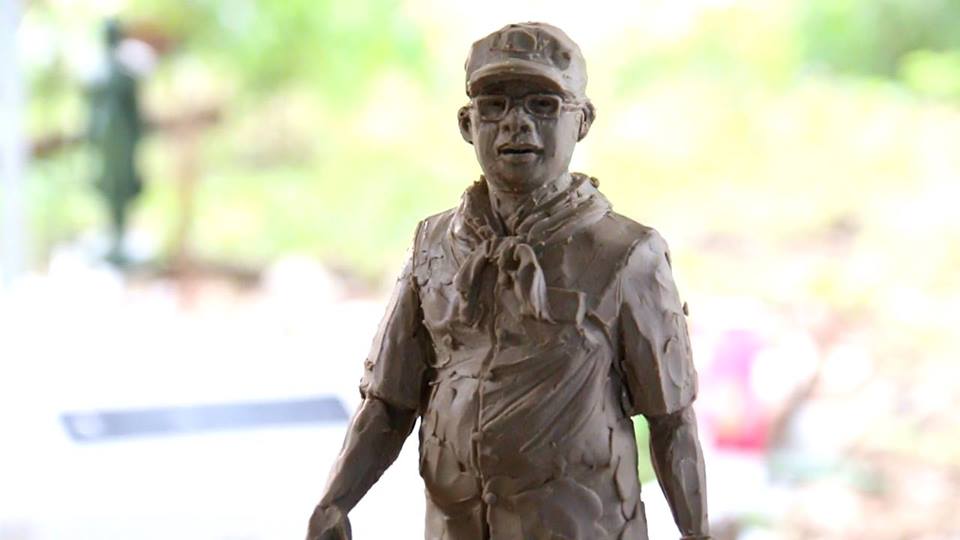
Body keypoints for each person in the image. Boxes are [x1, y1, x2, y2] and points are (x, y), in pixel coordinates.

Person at [308, 22, 710, 540]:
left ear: (582, 120)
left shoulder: (628, 254)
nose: (516, 124)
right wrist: (335, 501)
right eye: (494, 106)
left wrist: (697, 532)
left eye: (543, 105)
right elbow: (388, 401)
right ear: (467, 123)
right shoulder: (433, 246)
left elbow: (672, 420)